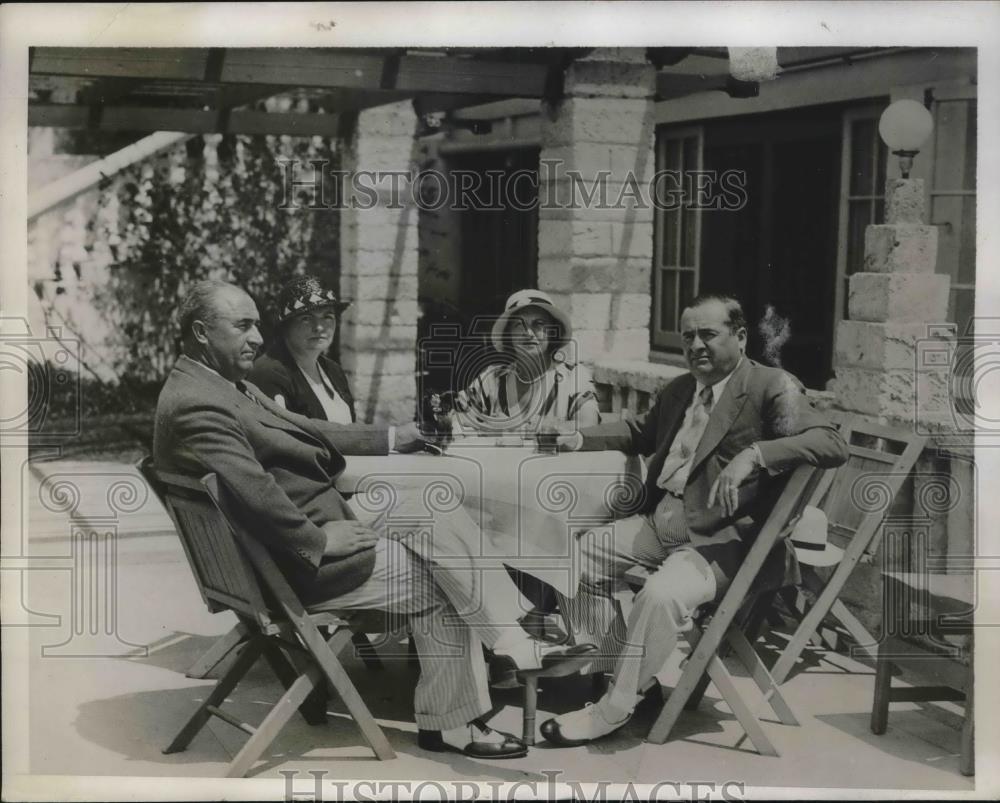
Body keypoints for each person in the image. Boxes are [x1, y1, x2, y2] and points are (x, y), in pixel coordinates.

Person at [153, 280, 594, 759]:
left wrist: (391, 437)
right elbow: (252, 490)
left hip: (310, 522)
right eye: (243, 326)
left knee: (431, 502)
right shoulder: (198, 404)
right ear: (201, 331)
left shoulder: (215, 384)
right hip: (294, 565)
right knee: (446, 575)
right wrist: (316, 540)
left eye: (257, 324)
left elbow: (307, 428)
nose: (258, 337)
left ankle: (510, 635)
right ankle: (457, 719)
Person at [536, 293, 850, 746]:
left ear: (740, 336)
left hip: (721, 541)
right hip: (659, 523)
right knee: (572, 558)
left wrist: (755, 454)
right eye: (688, 336)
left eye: (708, 334)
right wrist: (577, 437)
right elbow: (640, 433)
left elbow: (831, 443)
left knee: (660, 596)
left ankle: (612, 709)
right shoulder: (681, 388)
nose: (696, 345)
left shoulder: (771, 386)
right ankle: (627, 679)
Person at [458, 289, 600, 433]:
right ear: (509, 334)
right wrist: (494, 425)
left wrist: (532, 426)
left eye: (538, 324)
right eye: (519, 325)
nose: (529, 333)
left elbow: (589, 424)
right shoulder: (493, 377)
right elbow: (458, 416)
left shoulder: (573, 376)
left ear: (552, 331)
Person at [248, 275, 356, 424]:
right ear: (286, 326)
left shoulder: (333, 370)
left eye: (327, 317)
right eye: (306, 318)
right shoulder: (267, 374)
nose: (319, 327)